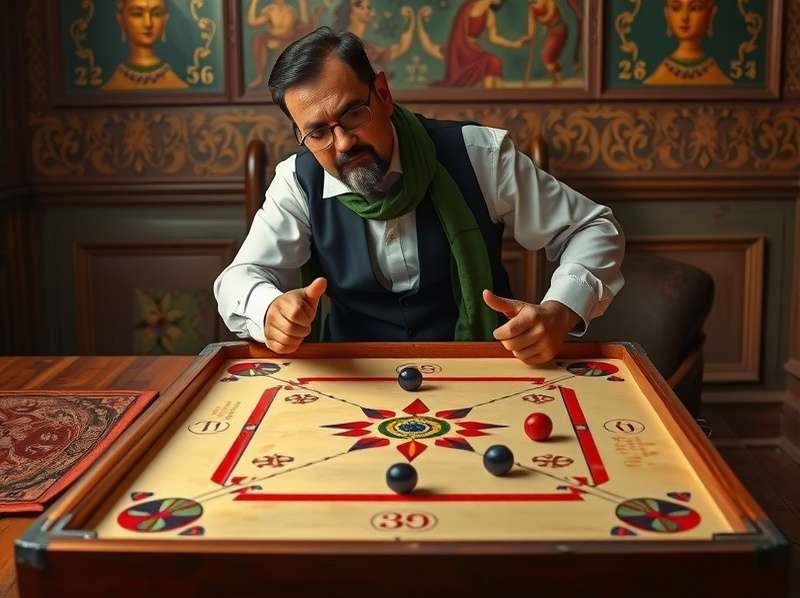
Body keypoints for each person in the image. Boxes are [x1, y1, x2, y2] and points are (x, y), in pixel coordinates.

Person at [214, 27, 624, 366]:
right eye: (318, 132)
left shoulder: (479, 155)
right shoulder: (297, 181)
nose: (341, 144)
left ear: (383, 93)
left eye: (353, 113)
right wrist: (269, 311)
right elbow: (237, 279)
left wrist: (559, 311)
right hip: (350, 375)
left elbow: (592, 227)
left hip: (481, 369)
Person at [436, 0, 529, 88]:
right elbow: (457, 33)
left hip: (475, 50)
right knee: (490, 60)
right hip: (463, 51)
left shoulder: (490, 14)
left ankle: (497, 98)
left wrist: (513, 44)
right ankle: (492, 96)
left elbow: (493, 37)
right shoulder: (468, 7)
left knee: (495, 61)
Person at [103, 0, 188, 91]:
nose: (148, 23)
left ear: (165, 20)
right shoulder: (112, 84)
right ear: (121, 20)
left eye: (156, 14)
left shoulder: (177, 83)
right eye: (137, 14)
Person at [644, 0, 732, 85]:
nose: (684, 17)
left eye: (695, 8)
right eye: (676, 8)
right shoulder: (657, 79)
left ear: (710, 14)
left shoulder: (719, 79)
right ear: (667, 14)